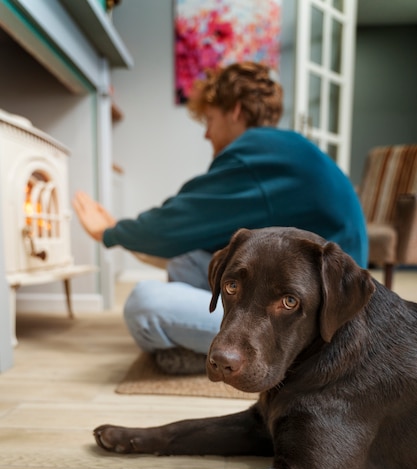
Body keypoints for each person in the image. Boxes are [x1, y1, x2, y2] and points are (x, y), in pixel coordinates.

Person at [73, 61, 368, 375]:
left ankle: (206, 353)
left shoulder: (253, 155)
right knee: (185, 263)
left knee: (143, 304)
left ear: (236, 111)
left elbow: (175, 223)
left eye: (210, 120)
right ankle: (199, 344)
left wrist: (110, 232)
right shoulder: (284, 149)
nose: (206, 133)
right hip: (305, 292)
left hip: (324, 316)